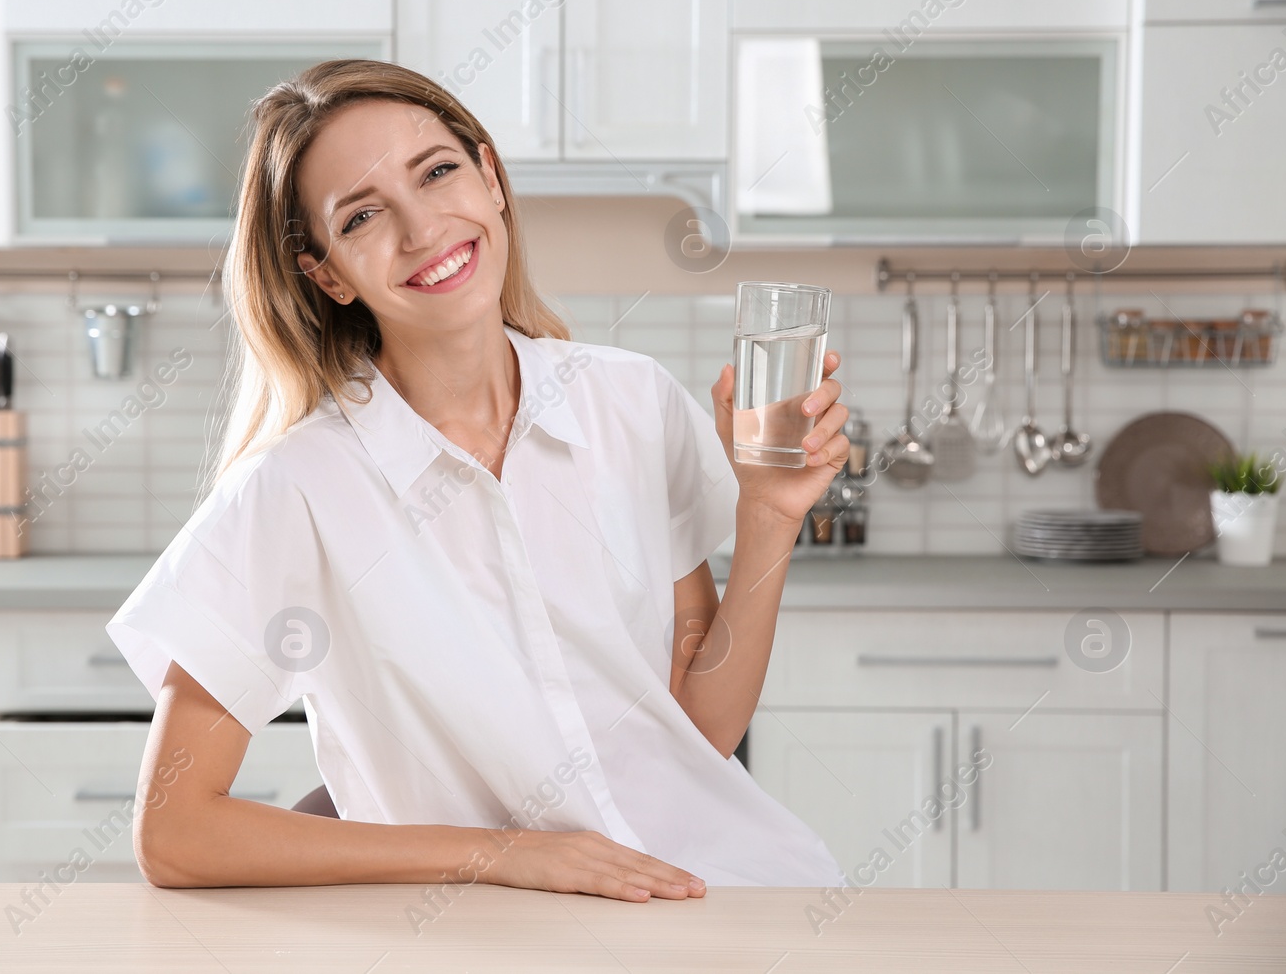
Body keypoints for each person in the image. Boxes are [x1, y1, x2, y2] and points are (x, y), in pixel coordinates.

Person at [107, 58, 850, 903]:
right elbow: (175, 832)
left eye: (438, 171)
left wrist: (768, 516)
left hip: (722, 888)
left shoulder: (631, 400)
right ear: (327, 273)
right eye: (362, 217)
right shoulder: (297, 490)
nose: (423, 229)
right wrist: (503, 853)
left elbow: (701, 729)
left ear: (490, 178)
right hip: (485, 929)